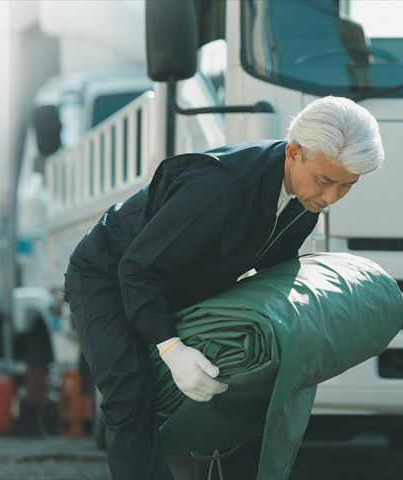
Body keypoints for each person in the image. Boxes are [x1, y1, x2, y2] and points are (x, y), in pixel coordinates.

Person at [63, 96, 385, 479]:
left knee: (237, 377)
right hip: (106, 274)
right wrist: (171, 348)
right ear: (295, 153)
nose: (332, 198)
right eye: (326, 181)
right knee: (130, 395)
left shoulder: (305, 201)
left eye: (348, 185)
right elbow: (138, 268)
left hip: (180, 277)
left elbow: (270, 278)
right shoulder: (220, 186)